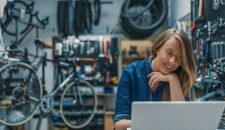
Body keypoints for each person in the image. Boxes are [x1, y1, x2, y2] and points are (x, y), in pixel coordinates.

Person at [113, 28, 197, 130]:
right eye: (169, 53)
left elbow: (182, 121)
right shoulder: (131, 72)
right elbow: (119, 124)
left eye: (180, 57)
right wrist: (153, 123)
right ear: (157, 48)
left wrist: (173, 79)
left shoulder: (180, 78)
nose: (173, 61)